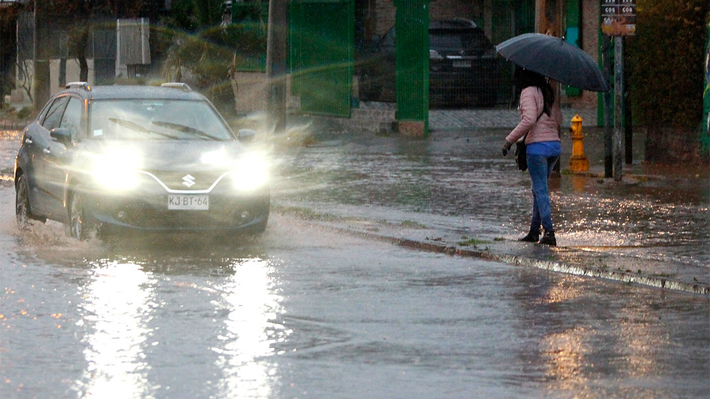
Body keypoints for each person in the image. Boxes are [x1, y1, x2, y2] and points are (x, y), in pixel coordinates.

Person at [502, 68, 562, 246]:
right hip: (554, 147)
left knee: (540, 190)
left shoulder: (528, 92)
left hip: (537, 148)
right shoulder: (548, 90)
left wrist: (508, 141)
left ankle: (549, 232)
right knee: (538, 189)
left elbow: (528, 120)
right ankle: (534, 231)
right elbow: (559, 119)